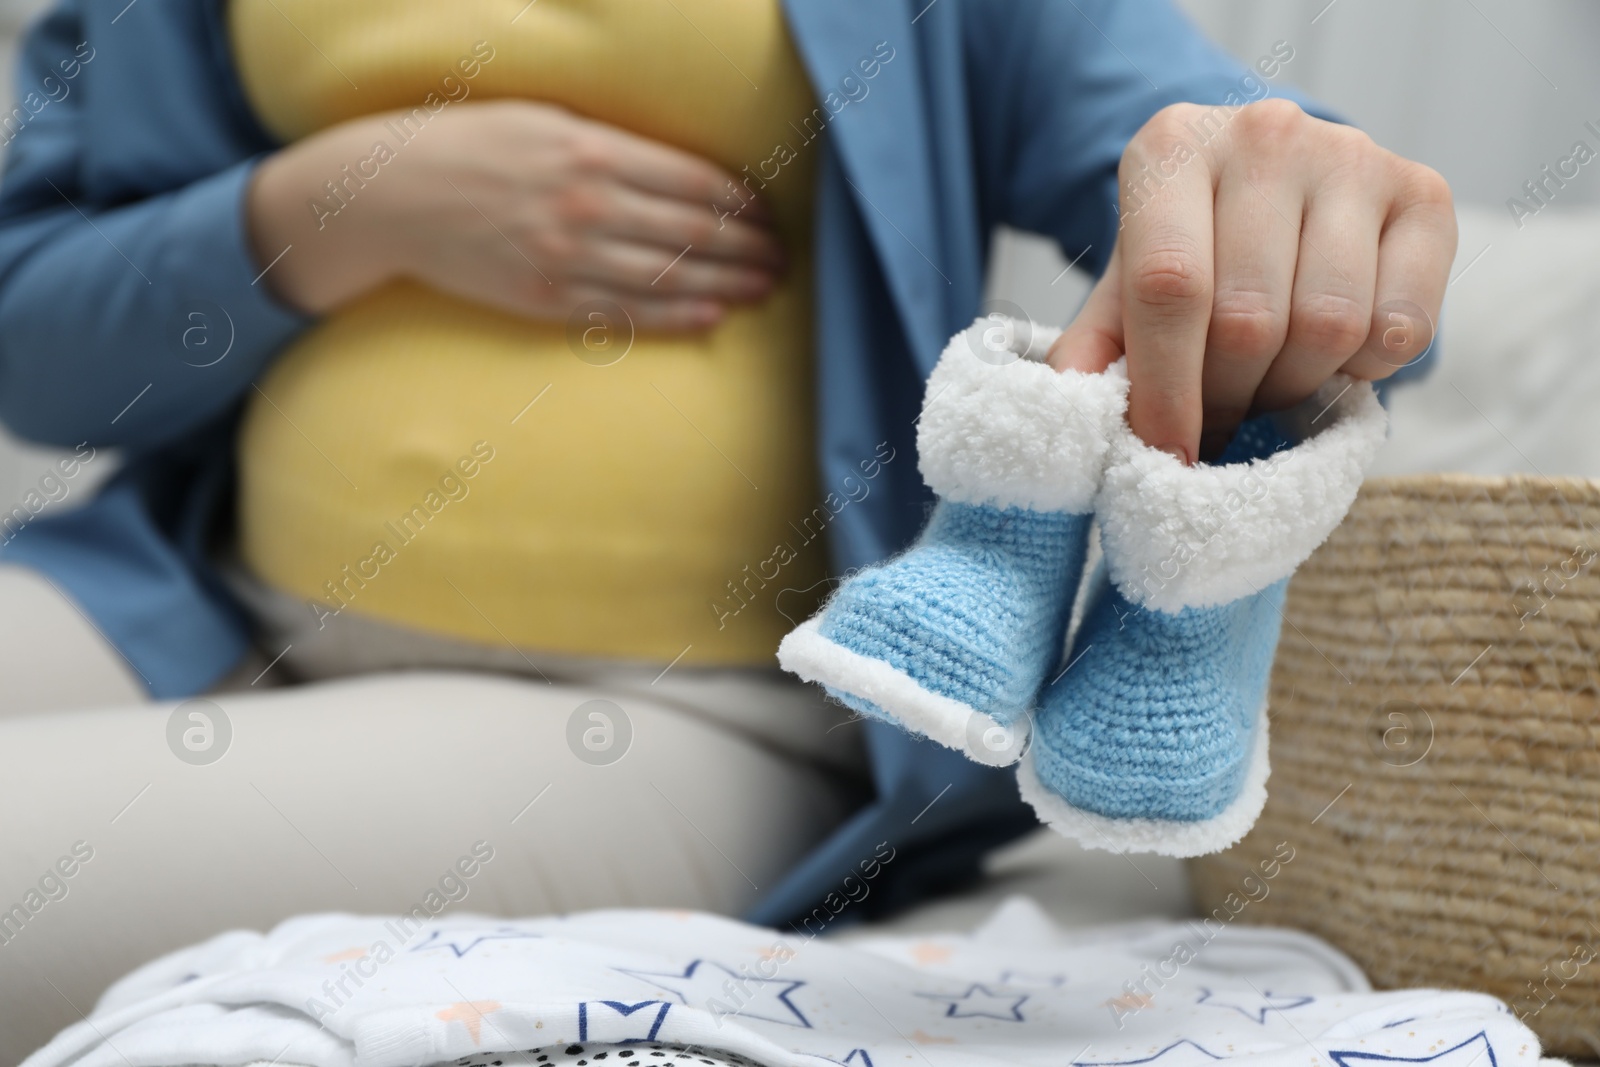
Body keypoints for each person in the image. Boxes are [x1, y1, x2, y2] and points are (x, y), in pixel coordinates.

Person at [0, 0, 1454, 1059]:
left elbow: (1255, 224)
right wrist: (332, 209)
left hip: (671, 705)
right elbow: (39, 348)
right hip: (193, 597)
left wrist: (1315, 214)